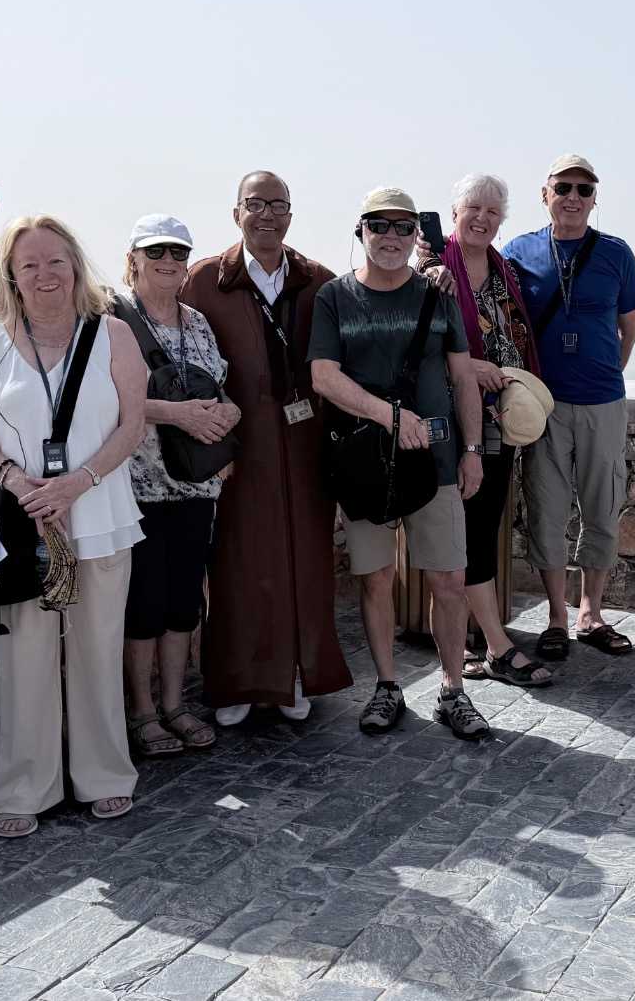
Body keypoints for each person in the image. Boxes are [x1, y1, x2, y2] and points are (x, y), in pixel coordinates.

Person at [0, 215, 146, 837]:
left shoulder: (113, 333)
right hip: (21, 525)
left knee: (98, 654)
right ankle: (22, 787)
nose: (44, 274)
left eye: (56, 261)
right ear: (10, 273)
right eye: (29, 264)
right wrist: (18, 483)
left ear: (75, 266)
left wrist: (77, 482)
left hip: (99, 516)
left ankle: (105, 776)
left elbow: (132, 425)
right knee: (22, 661)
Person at [310, 188, 492, 739]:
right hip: (365, 464)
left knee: (449, 580)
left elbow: (463, 377)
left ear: (417, 235)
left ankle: (453, 691)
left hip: (437, 461)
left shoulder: (439, 294)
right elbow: (323, 377)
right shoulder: (334, 298)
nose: (391, 237)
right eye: (379, 225)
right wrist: (390, 417)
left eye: (403, 227)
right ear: (360, 231)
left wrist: (473, 450)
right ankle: (388, 686)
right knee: (376, 579)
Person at [179, 171, 350, 727]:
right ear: (237, 213)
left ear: (291, 216)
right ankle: (237, 682)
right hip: (235, 446)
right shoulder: (205, 281)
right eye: (256, 204)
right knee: (236, 562)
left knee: (306, 559)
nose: (267, 215)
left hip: (304, 444)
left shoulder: (318, 281)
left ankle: (295, 677)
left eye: (278, 205)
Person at [500, 154, 635, 659]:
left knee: (602, 507)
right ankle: (557, 618)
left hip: (603, 400)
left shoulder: (616, 253)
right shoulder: (518, 252)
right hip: (544, 404)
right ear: (545, 195)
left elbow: (629, 329)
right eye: (563, 187)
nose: (573, 198)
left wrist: (606, 373)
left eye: (584, 190)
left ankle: (591, 612)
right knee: (546, 510)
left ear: (594, 199)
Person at [419, 174, 553, 688]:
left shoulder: (505, 271)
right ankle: (497, 646)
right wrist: (467, 366)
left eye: (494, 212)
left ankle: (467, 641)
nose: (483, 219)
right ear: (454, 213)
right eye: (474, 208)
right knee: (460, 534)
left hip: (495, 421)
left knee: (479, 529)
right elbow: (412, 342)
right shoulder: (429, 267)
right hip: (448, 421)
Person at [114, 214, 241, 756]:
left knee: (184, 604)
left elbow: (220, 388)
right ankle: (142, 714)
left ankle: (174, 705)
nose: (169, 261)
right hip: (136, 487)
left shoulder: (197, 323)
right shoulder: (113, 321)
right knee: (143, 606)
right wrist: (177, 415)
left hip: (195, 487)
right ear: (133, 260)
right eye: (156, 252)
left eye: (178, 253)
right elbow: (105, 401)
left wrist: (228, 415)